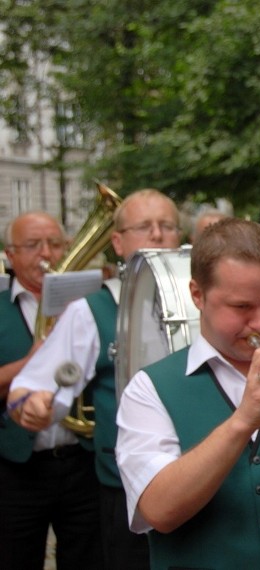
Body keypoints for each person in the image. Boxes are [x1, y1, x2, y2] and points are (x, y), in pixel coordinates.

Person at [114, 218, 260, 569]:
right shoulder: (149, 389)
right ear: (197, 295)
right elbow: (158, 511)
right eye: (241, 307)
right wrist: (242, 421)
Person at [9, 189, 183, 570]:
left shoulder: (206, 299)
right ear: (118, 242)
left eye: (167, 226)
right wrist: (33, 404)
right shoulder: (92, 309)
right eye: (144, 227)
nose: (157, 235)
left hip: (204, 484)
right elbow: (34, 387)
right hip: (126, 491)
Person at [1, 212, 102, 570]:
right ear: (10, 255)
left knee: (87, 559)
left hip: (83, 460)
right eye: (33, 245)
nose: (47, 253)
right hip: (15, 466)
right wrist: (31, 362)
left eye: (55, 243)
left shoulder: (91, 305)